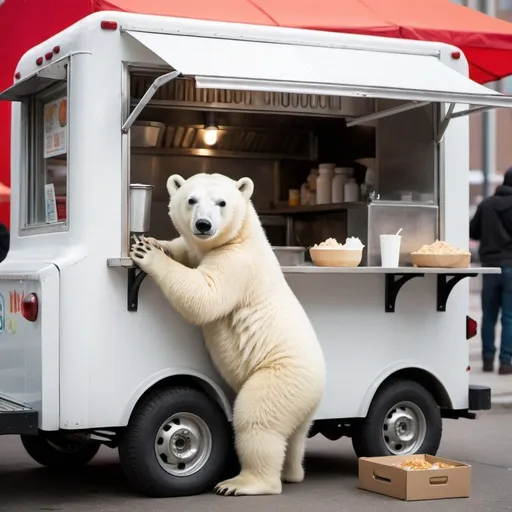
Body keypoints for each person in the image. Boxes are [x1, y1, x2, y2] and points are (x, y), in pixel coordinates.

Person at [470, 167, 512, 375]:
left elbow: (473, 232)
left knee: (488, 315)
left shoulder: (486, 205)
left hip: (489, 267)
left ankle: (487, 360)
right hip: (511, 268)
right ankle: (506, 362)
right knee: (510, 317)